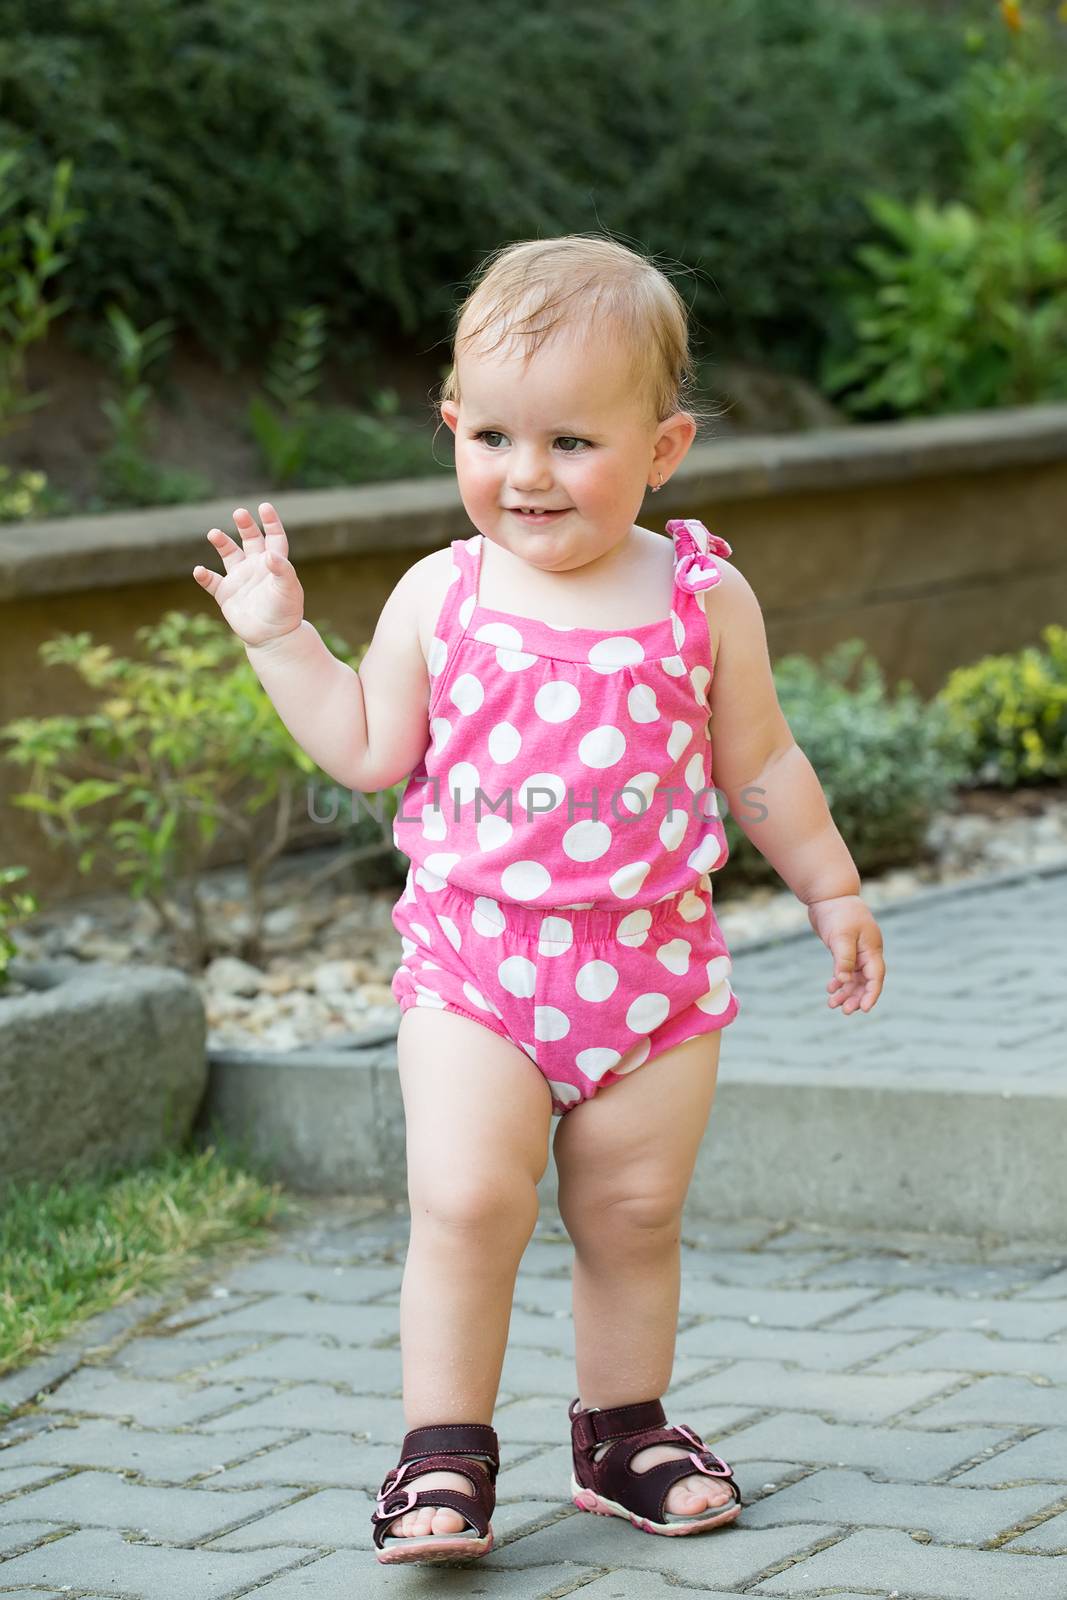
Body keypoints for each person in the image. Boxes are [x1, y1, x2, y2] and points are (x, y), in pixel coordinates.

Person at [193, 233, 886, 1567]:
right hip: (479, 970)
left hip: (654, 975)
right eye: (495, 435)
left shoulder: (702, 599)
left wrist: (832, 884)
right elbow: (366, 750)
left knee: (631, 1215)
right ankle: (441, 1454)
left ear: (664, 448)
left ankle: (626, 1432)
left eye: (572, 442)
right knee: (467, 1199)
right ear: (453, 424)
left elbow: (762, 762)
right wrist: (284, 639)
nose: (526, 475)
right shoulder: (440, 597)